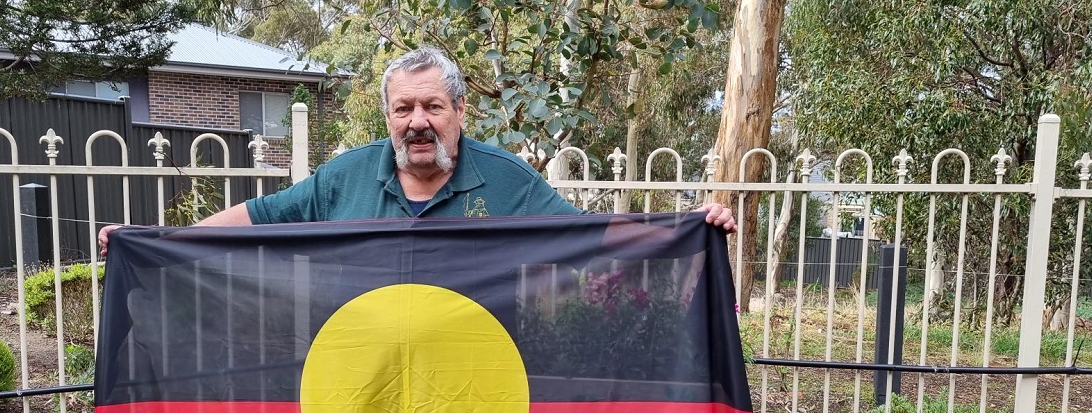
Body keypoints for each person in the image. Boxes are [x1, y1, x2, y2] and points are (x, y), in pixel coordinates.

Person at [99, 46, 733, 254]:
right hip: (359, 388)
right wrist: (157, 240)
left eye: (433, 107)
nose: (419, 122)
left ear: (460, 112)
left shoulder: (506, 180)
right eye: (404, 109)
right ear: (388, 117)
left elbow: (590, 233)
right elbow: (254, 219)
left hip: (473, 386)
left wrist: (686, 227)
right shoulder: (343, 177)